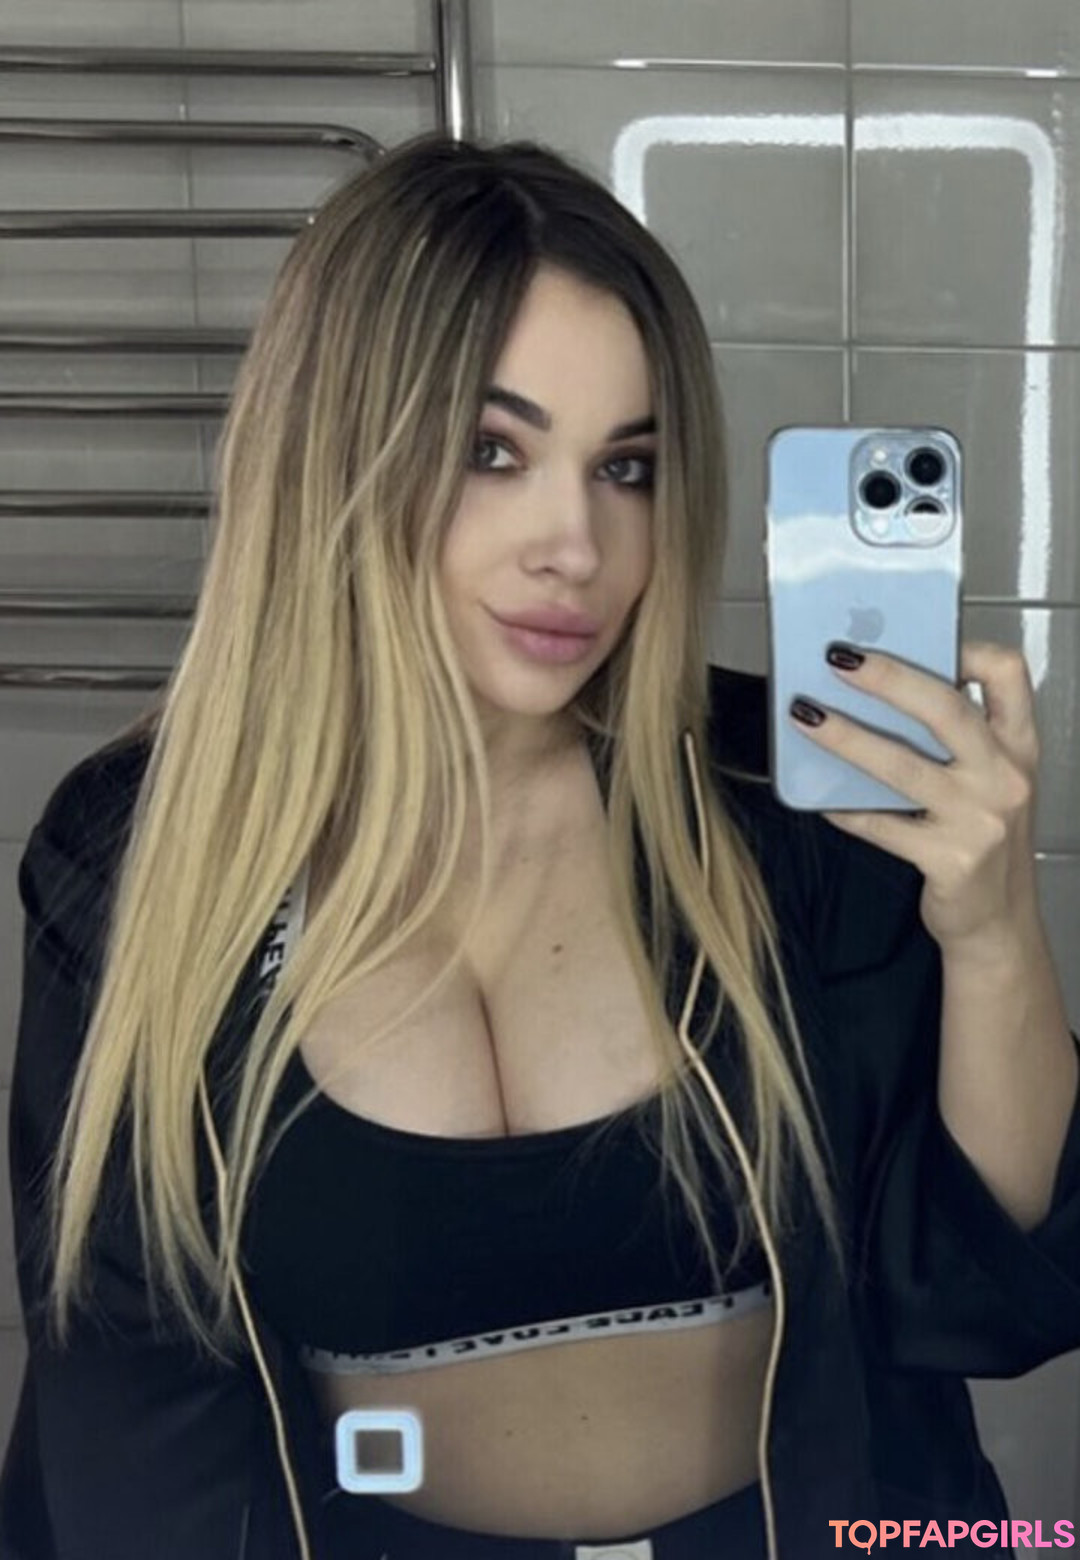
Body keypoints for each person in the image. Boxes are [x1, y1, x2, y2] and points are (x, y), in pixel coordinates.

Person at [1, 132, 1078, 1560]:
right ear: (335, 453)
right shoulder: (142, 854)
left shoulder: (781, 800)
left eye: (627, 467)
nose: (577, 544)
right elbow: (130, 1397)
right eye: (491, 451)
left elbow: (991, 1293)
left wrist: (993, 934)